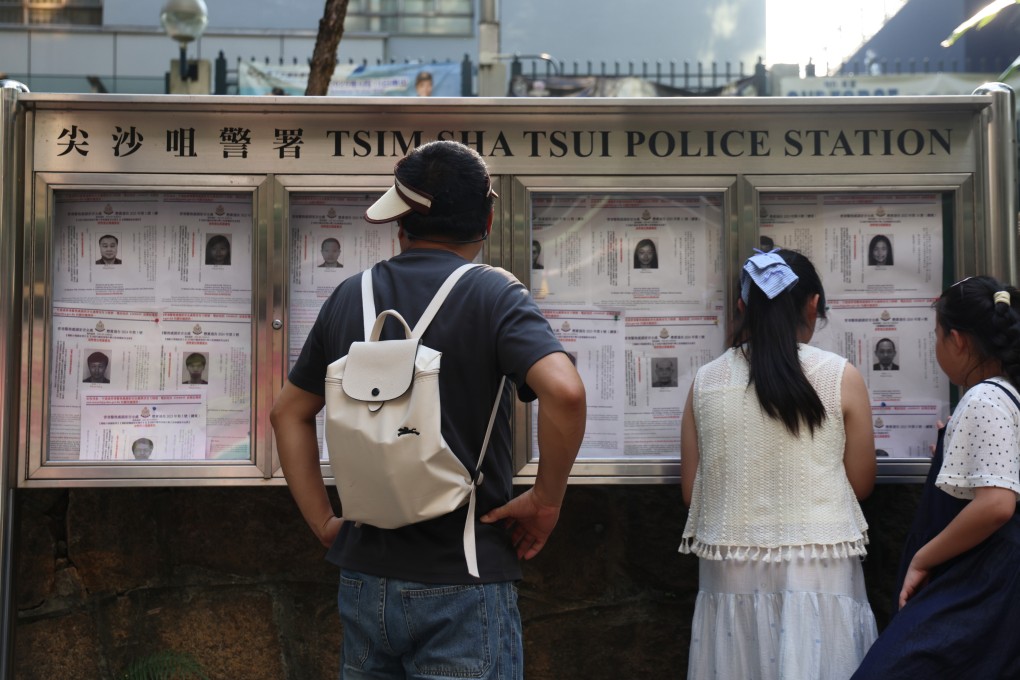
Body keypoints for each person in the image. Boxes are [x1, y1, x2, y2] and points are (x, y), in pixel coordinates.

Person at [270, 140, 586, 680]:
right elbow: (566, 392)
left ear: (401, 221)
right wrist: (546, 500)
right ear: (488, 218)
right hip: (463, 580)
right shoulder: (494, 294)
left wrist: (325, 521)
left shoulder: (351, 295)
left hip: (365, 581)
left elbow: (288, 413)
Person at [680, 249, 877, 680]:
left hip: (729, 567)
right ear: (812, 305)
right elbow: (861, 483)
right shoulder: (840, 375)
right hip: (819, 565)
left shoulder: (706, 382)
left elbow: (692, 491)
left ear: (741, 308)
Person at [852, 276, 1020, 678]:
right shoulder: (1007, 393)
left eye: (938, 336)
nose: (937, 346)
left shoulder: (984, 397)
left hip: (982, 582)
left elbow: (996, 504)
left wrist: (922, 559)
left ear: (958, 341)